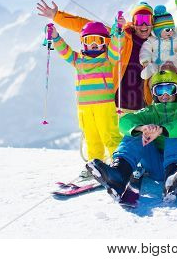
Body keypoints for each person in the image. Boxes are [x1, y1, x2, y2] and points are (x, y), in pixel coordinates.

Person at [86, 69, 177, 204]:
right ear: (153, 93)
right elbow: (124, 121)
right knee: (135, 131)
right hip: (156, 166)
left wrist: (162, 130)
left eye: (169, 89)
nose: (164, 94)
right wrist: (141, 128)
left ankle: (173, 177)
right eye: (159, 90)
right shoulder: (150, 112)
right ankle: (119, 174)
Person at [37, 0, 154, 111]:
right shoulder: (119, 37)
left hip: (144, 108)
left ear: (152, 23)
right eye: (139, 20)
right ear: (133, 22)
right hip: (116, 106)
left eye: (147, 20)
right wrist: (57, 16)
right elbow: (84, 25)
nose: (143, 25)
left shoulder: (158, 44)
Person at [49, 21, 122, 175]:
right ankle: (95, 165)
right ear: (83, 43)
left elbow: (116, 49)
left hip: (105, 105)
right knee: (91, 137)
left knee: (110, 135)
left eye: (98, 40)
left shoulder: (108, 59)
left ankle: (120, 165)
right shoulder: (79, 60)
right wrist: (55, 37)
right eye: (89, 40)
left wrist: (117, 33)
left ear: (105, 42)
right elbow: (65, 52)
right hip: (85, 108)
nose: (94, 44)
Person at [139, 5, 177, 104]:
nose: (171, 32)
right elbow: (145, 50)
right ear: (158, 30)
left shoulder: (176, 40)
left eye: (172, 29)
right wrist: (145, 61)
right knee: (150, 77)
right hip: (156, 69)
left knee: (173, 85)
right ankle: (156, 98)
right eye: (167, 30)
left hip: (172, 70)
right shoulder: (151, 41)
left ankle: (175, 99)